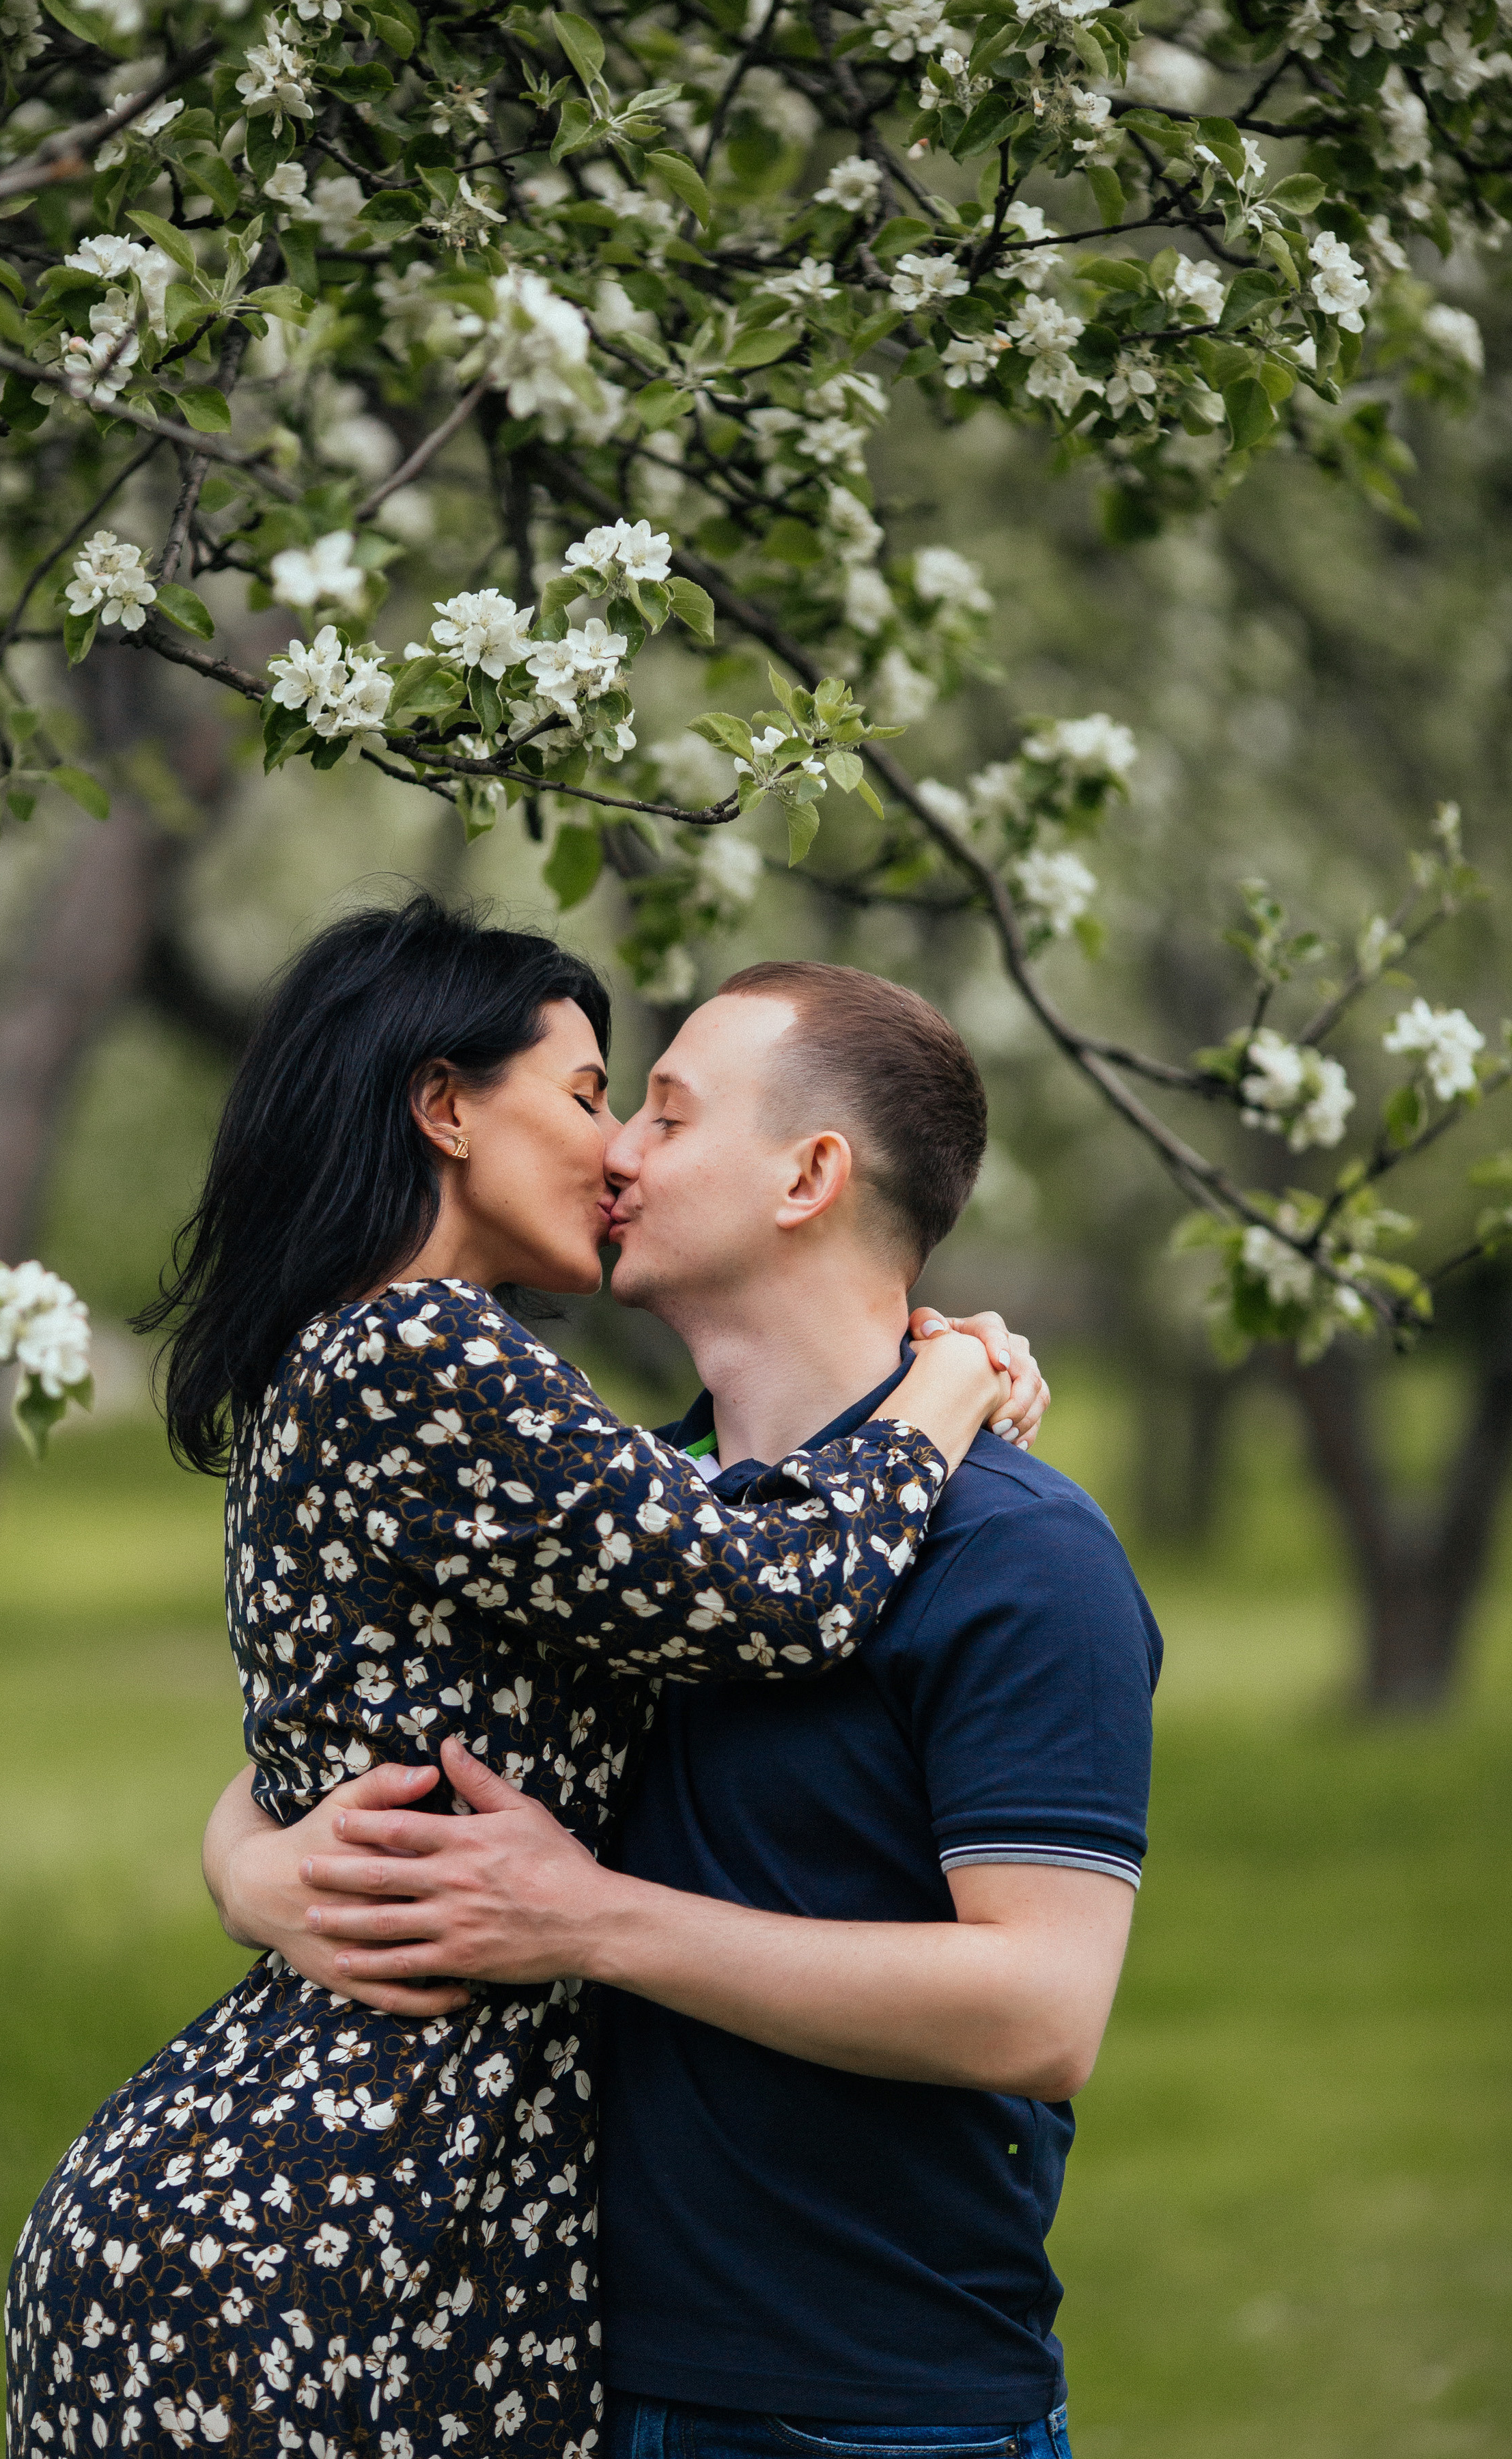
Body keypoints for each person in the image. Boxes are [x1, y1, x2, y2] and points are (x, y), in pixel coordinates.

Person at [5, 904, 1025, 2458]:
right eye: (586, 1091)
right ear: (446, 1107)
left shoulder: (370, 1359)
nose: (616, 1147)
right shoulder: (419, 1347)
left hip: (374, 2202)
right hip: (321, 2230)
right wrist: (947, 1382)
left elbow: (355, 1746)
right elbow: (777, 1590)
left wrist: (255, 1861)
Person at [212, 962, 1161, 2459]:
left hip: (863, 2400)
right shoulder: (640, 1531)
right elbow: (350, 1739)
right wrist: (253, 1867)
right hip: (555, 2368)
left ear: (811, 1174)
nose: (619, 1153)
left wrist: (585, 1919)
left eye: (661, 1109)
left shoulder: (1017, 1553)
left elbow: (1039, 2011)